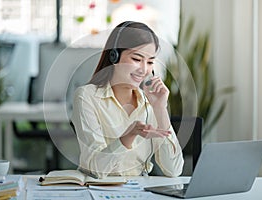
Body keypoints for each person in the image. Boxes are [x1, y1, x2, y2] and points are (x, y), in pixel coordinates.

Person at [71, 21, 184, 178]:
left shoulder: (149, 102)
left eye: (150, 62)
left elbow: (173, 170)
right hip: (98, 191)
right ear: (114, 56)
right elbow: (96, 168)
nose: (144, 69)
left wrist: (160, 108)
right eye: (137, 59)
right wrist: (127, 137)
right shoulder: (87, 97)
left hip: (140, 191)